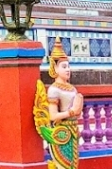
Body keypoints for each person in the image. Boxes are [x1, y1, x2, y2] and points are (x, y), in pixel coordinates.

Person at [33, 38, 82, 169]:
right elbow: (53, 116)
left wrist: (78, 107)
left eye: (68, 66)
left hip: (73, 130)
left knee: (73, 165)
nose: (68, 70)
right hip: (62, 132)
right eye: (64, 66)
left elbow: (76, 110)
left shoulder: (72, 88)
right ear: (55, 68)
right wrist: (72, 111)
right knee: (63, 165)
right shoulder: (54, 90)